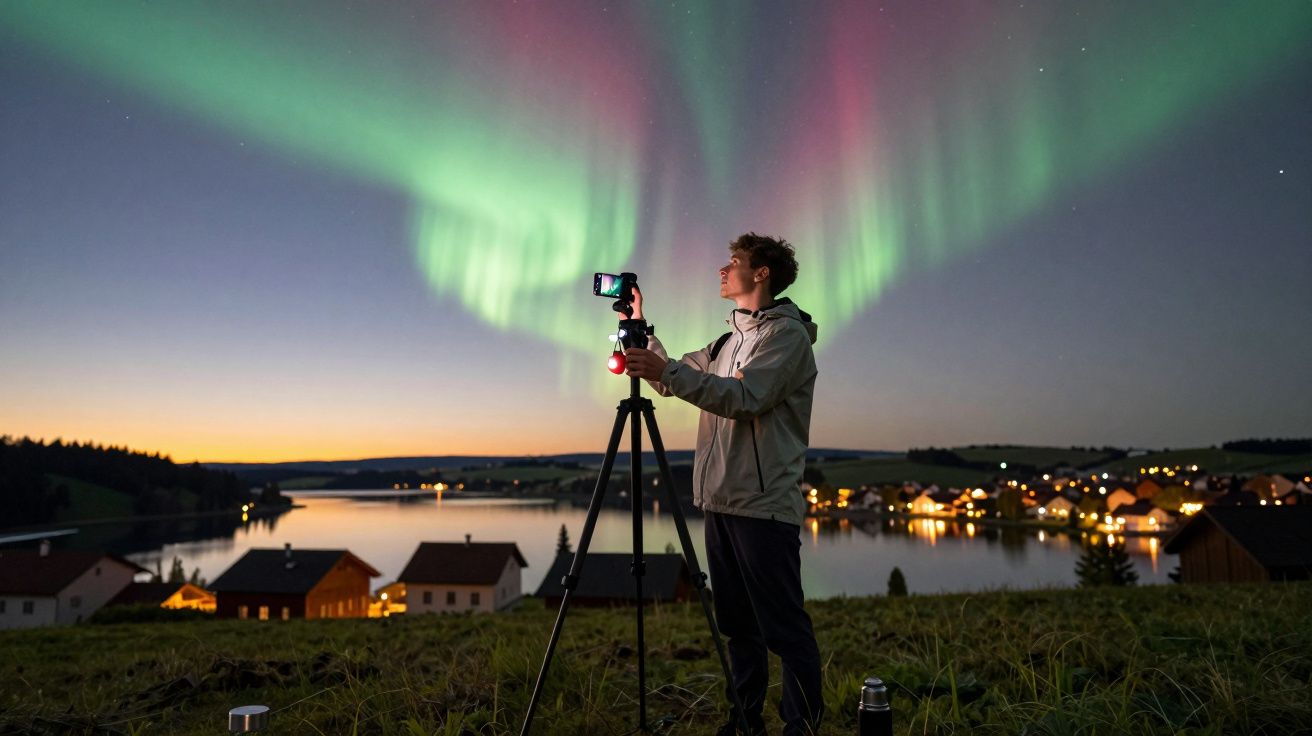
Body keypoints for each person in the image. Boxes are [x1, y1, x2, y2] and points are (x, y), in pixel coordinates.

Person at [622, 233, 822, 736]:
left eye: (733, 262)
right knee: (738, 625)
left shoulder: (786, 337)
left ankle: (802, 727)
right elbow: (673, 377)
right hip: (720, 501)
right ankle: (744, 722)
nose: (722, 269)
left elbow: (745, 396)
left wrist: (666, 369)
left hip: (762, 504)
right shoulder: (726, 341)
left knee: (783, 626)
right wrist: (637, 326)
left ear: (762, 274)